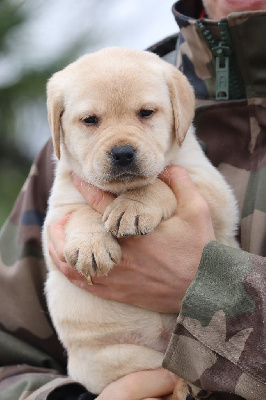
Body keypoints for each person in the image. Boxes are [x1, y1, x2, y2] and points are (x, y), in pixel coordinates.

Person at [0, 0, 266, 399]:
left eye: (145, 114)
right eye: (91, 121)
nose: (121, 146)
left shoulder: (165, 98)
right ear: (60, 126)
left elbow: (213, 202)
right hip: (113, 363)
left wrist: (212, 287)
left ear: (180, 111)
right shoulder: (67, 156)